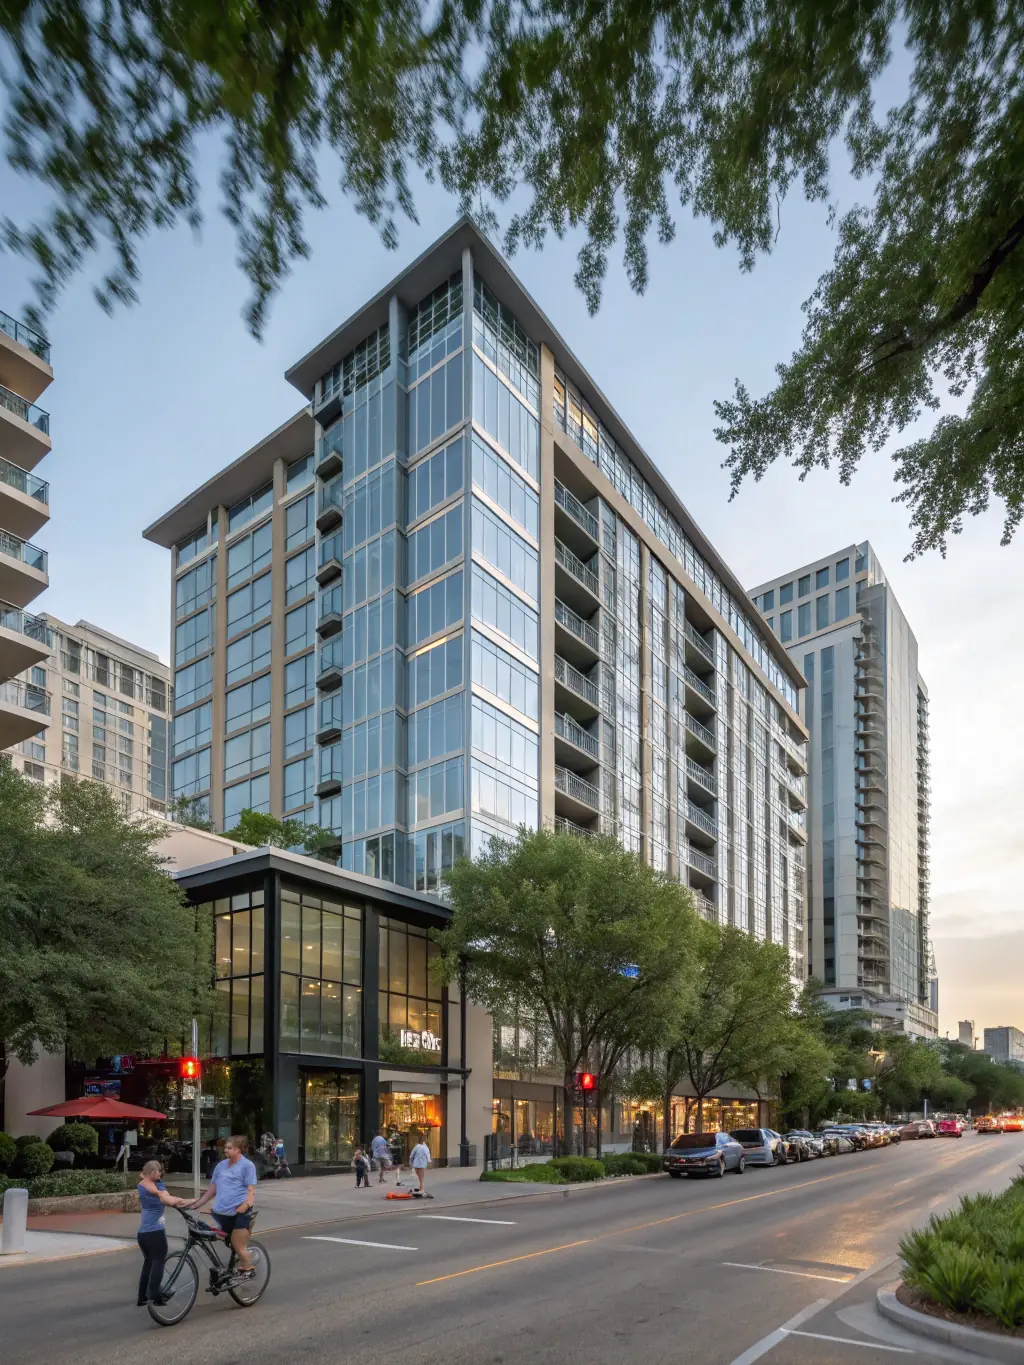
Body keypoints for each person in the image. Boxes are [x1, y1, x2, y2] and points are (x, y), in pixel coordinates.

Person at [191, 1134, 257, 1276]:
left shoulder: (247, 1166)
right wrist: (197, 1204)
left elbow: (251, 1189)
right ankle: (231, 1267)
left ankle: (248, 1267)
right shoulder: (220, 1166)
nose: (225, 1150)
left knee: (238, 1247)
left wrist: (246, 1204)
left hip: (239, 1213)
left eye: (229, 1148)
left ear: (238, 1150)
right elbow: (212, 1190)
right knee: (218, 1237)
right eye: (225, 1147)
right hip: (221, 1212)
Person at [136, 1159, 191, 1306]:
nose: (160, 1173)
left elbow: (146, 1181)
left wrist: (164, 1195)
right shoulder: (155, 1186)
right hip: (155, 1232)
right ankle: (155, 1296)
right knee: (157, 1263)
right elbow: (169, 1200)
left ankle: (142, 1297)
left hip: (142, 1234)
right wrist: (196, 1200)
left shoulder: (143, 1186)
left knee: (148, 1264)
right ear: (154, 1172)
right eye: (158, 1171)